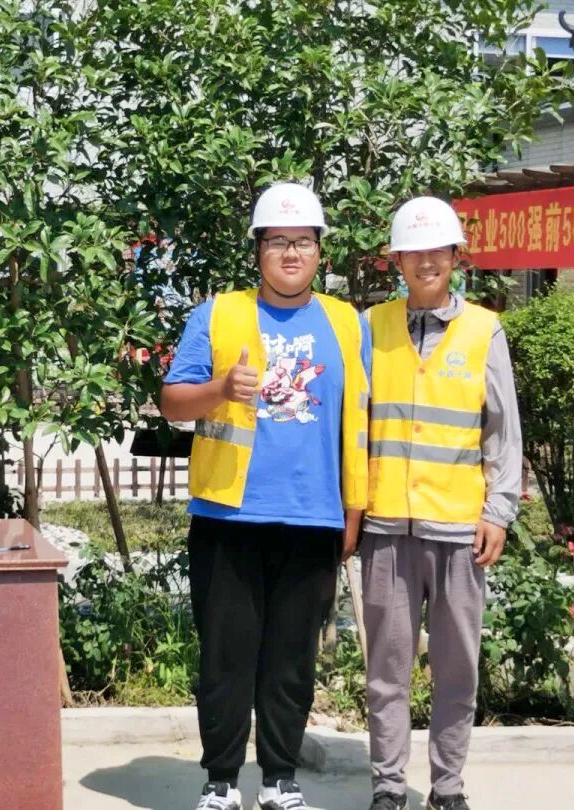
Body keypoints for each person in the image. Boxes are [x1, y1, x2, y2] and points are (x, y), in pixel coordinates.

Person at [160, 182, 371, 810]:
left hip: (313, 516)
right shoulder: (218, 314)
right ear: (258, 249)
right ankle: (221, 782)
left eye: (303, 241)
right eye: (278, 241)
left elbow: (358, 422)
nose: (291, 253)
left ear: (319, 251)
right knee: (226, 657)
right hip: (229, 514)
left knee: (291, 661)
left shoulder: (346, 322)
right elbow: (172, 403)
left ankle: (280, 779)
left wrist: (353, 511)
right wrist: (221, 388)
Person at [361, 197, 523, 810]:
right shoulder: (371, 326)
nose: (426, 261)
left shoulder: (484, 330)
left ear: (457, 257)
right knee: (387, 668)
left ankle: (448, 787)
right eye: (413, 252)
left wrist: (498, 511)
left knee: (457, 668)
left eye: (438, 251)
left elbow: (504, 431)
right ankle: (388, 785)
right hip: (385, 525)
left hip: (459, 528)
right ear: (395, 260)